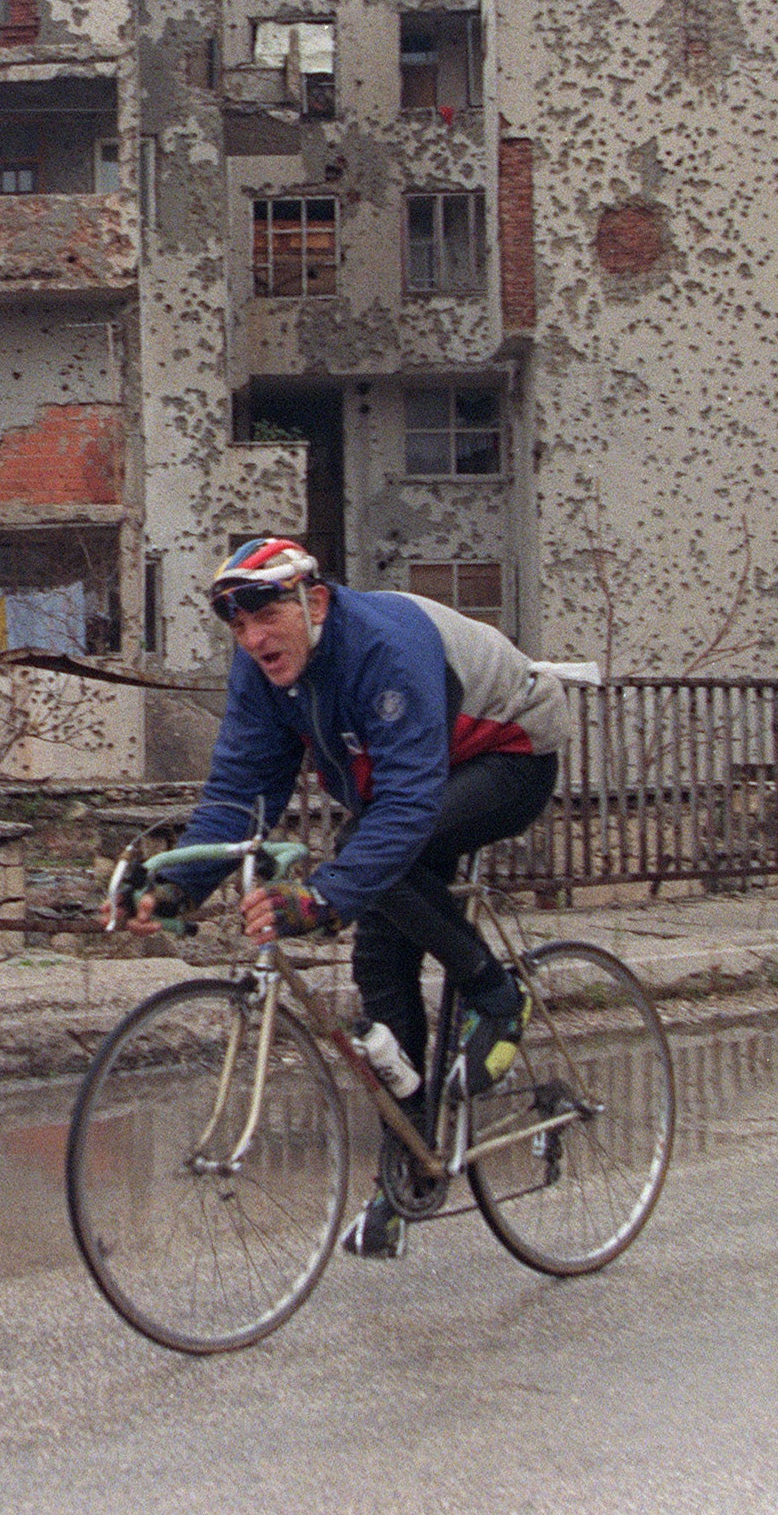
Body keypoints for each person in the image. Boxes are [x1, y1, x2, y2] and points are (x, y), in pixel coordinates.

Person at [128, 537, 572, 1259]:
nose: (254, 638)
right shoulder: (261, 672)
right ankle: (409, 1172)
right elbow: (241, 794)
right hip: (414, 779)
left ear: (316, 600)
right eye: (238, 626)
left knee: (380, 866)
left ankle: (498, 996)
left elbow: (402, 815)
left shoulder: (384, 649)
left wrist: (322, 898)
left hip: (509, 753)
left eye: (267, 614)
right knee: (377, 974)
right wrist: (178, 882)